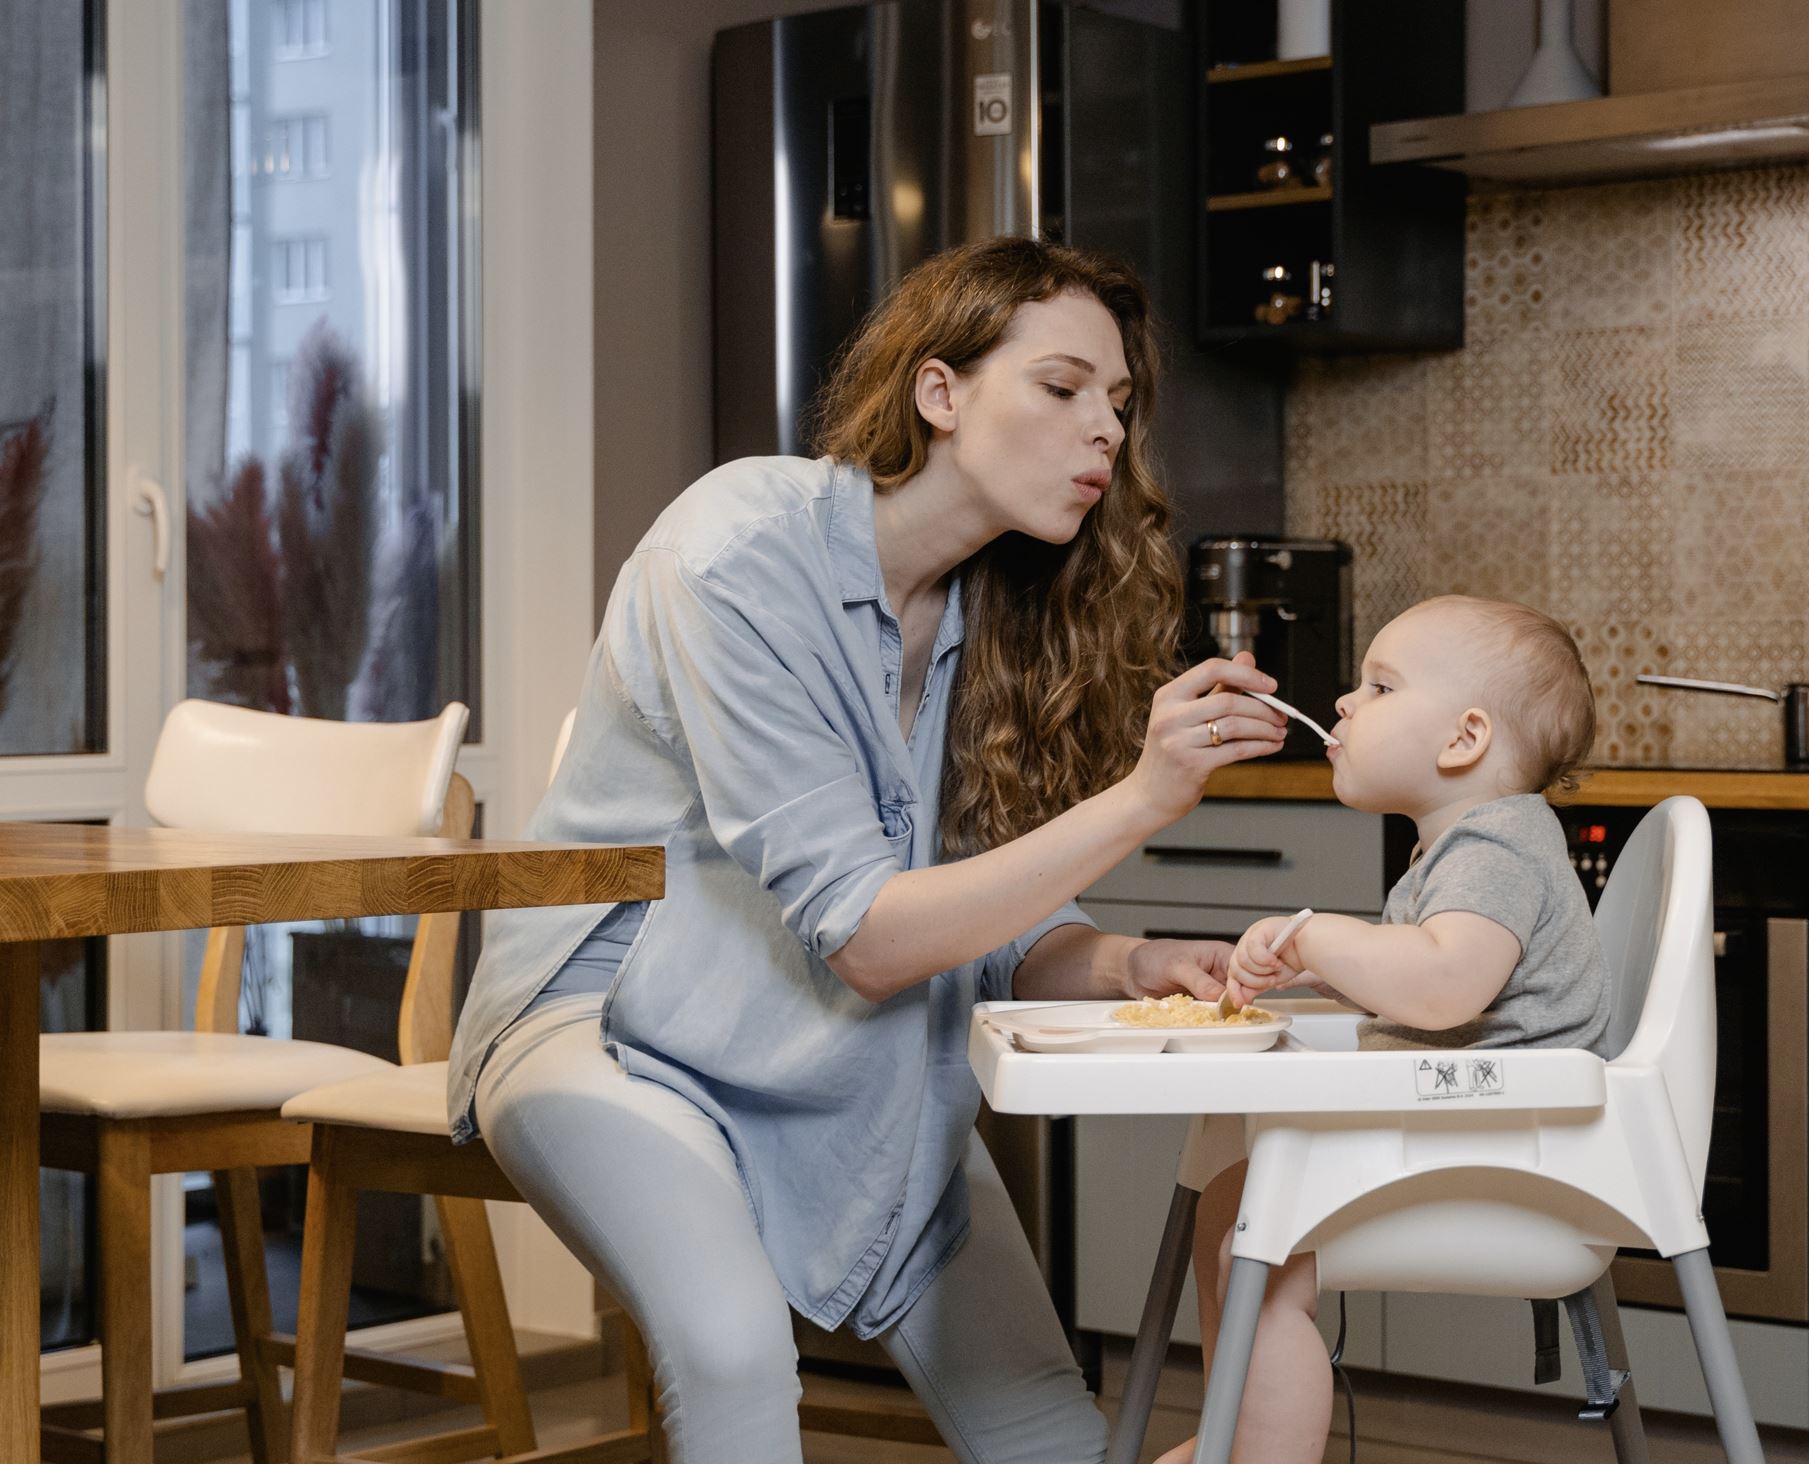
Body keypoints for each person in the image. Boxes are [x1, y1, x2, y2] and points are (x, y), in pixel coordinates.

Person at [444, 236, 1292, 1464]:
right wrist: (1145, 799)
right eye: (1060, 389)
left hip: (857, 1055)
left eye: (1118, 404)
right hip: (616, 1030)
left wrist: (1131, 961)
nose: (1104, 431)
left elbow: (977, 922)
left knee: (1054, 1437)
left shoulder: (1002, 613)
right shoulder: (736, 551)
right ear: (939, 394)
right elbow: (871, 937)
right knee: (736, 1359)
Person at [1156, 595, 1613, 1464]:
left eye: (1380, 685)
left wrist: (1321, 932)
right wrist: (1322, 969)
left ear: (1463, 740)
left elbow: (1444, 988)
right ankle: (1238, 1431)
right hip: (1477, 1134)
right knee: (1231, 1202)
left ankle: (1261, 1454)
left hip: (1509, 1161)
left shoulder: (1497, 850)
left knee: (1266, 1239)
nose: (1343, 703)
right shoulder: (1461, 850)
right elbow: (1435, 983)